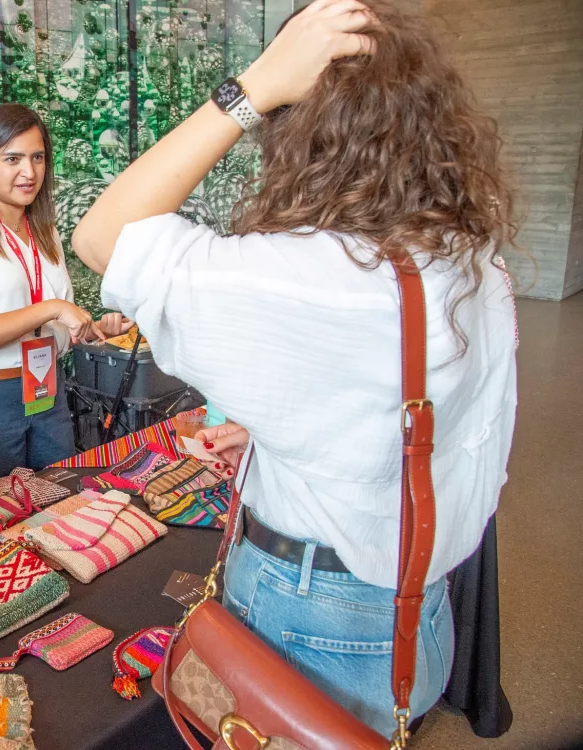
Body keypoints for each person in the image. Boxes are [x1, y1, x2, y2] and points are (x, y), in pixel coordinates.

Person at [73, 0, 518, 736]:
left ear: (299, 132)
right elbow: (424, 422)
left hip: (316, 620)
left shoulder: (316, 275)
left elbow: (101, 237)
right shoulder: (471, 257)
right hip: (417, 608)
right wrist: (284, 441)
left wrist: (249, 88)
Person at [0, 103, 133, 483]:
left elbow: (44, 325)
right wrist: (52, 307)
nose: (29, 171)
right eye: (13, 158)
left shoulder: (43, 231)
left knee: (61, 502)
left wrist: (90, 325)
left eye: (38, 158)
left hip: (45, 390)